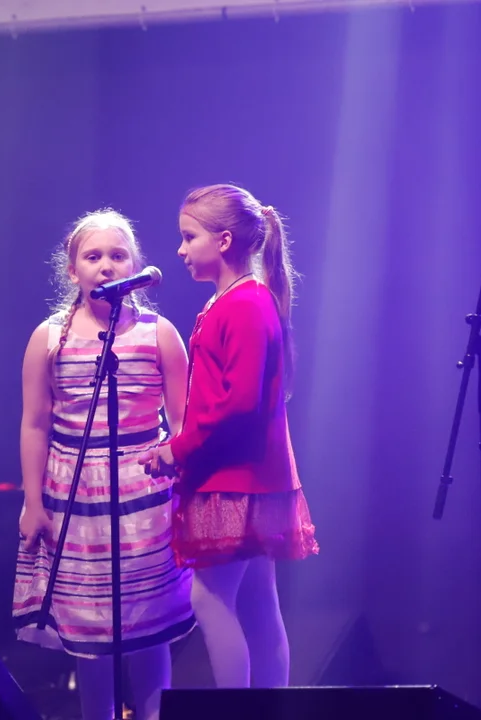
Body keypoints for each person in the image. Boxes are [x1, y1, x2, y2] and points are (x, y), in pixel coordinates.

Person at [13, 210, 195, 720]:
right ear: (72, 270)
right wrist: (33, 503)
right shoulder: (48, 337)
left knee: (148, 630)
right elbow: (35, 424)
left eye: (118, 255)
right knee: (89, 635)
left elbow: (183, 423)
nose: (106, 266)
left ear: (135, 265)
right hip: (74, 495)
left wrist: (182, 485)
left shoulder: (159, 334)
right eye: (93, 256)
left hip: (145, 494)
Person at [140, 184, 319, 689]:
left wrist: (176, 449)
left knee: (210, 599)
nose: (180, 250)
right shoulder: (235, 301)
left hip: (235, 479)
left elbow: (238, 403)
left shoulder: (244, 304)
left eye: (188, 237)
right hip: (246, 476)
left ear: (223, 241)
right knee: (259, 604)